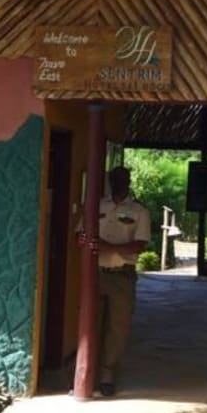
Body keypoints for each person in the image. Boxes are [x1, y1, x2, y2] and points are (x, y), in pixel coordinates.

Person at [78, 166, 151, 397]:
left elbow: (140, 245)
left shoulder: (139, 212)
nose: (120, 182)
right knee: (91, 321)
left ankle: (107, 373)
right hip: (95, 272)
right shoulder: (97, 205)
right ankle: (87, 370)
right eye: (115, 178)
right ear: (110, 181)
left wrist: (110, 247)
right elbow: (80, 232)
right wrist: (82, 239)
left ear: (129, 181)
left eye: (123, 178)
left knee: (118, 325)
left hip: (122, 273)